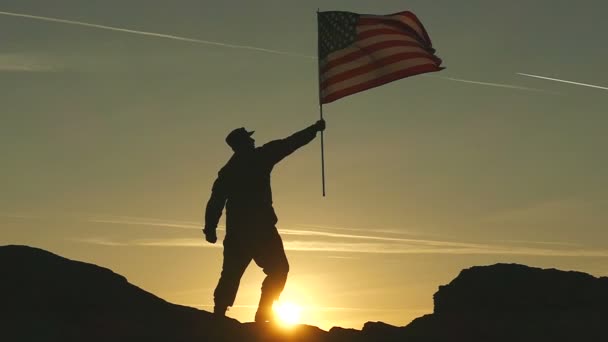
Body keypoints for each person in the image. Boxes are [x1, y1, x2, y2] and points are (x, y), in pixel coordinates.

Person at [203, 119, 326, 322]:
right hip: (262, 231)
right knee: (279, 270)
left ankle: (220, 313)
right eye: (248, 139)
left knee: (231, 274)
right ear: (243, 143)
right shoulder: (260, 157)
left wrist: (210, 228)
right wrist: (314, 129)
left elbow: (215, 201)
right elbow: (290, 143)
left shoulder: (228, 171)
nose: (252, 141)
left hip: (238, 233)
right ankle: (263, 313)